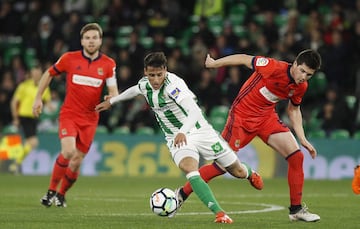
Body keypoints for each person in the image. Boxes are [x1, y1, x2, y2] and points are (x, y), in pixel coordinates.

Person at [95, 52, 263, 224]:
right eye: (151, 75)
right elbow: (135, 90)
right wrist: (113, 100)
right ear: (145, 72)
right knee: (190, 169)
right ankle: (219, 213)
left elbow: (195, 112)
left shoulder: (174, 86)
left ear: (165, 71)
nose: (155, 79)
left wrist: (183, 130)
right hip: (176, 138)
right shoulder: (144, 84)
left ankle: (249, 173)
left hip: (199, 131)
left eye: (159, 75)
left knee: (237, 171)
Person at [176, 49, 322, 222]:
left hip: (266, 118)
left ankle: (296, 210)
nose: (304, 77)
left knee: (296, 157)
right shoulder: (272, 67)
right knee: (221, 167)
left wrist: (302, 139)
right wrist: (214, 64)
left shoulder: (300, 87)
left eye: (309, 75)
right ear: (295, 63)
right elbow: (244, 59)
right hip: (241, 119)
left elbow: (294, 110)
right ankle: (181, 194)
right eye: (302, 71)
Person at [32, 23, 119, 208]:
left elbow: (114, 91)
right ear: (82, 40)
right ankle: (50, 192)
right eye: (87, 38)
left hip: (90, 118)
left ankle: (61, 195)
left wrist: (110, 98)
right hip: (70, 114)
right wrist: (38, 97)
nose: (91, 41)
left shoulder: (109, 64)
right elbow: (48, 73)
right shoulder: (69, 59)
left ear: (100, 40)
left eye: (95, 37)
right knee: (68, 151)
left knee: (76, 161)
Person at [10, 64, 52, 173]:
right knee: (33, 142)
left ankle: (16, 163)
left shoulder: (44, 87)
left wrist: (53, 109)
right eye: (34, 72)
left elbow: (48, 103)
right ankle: (16, 164)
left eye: (38, 73)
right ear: (30, 74)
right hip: (24, 116)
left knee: (29, 143)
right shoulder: (23, 86)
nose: (36, 75)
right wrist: (15, 118)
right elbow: (14, 102)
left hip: (35, 118)